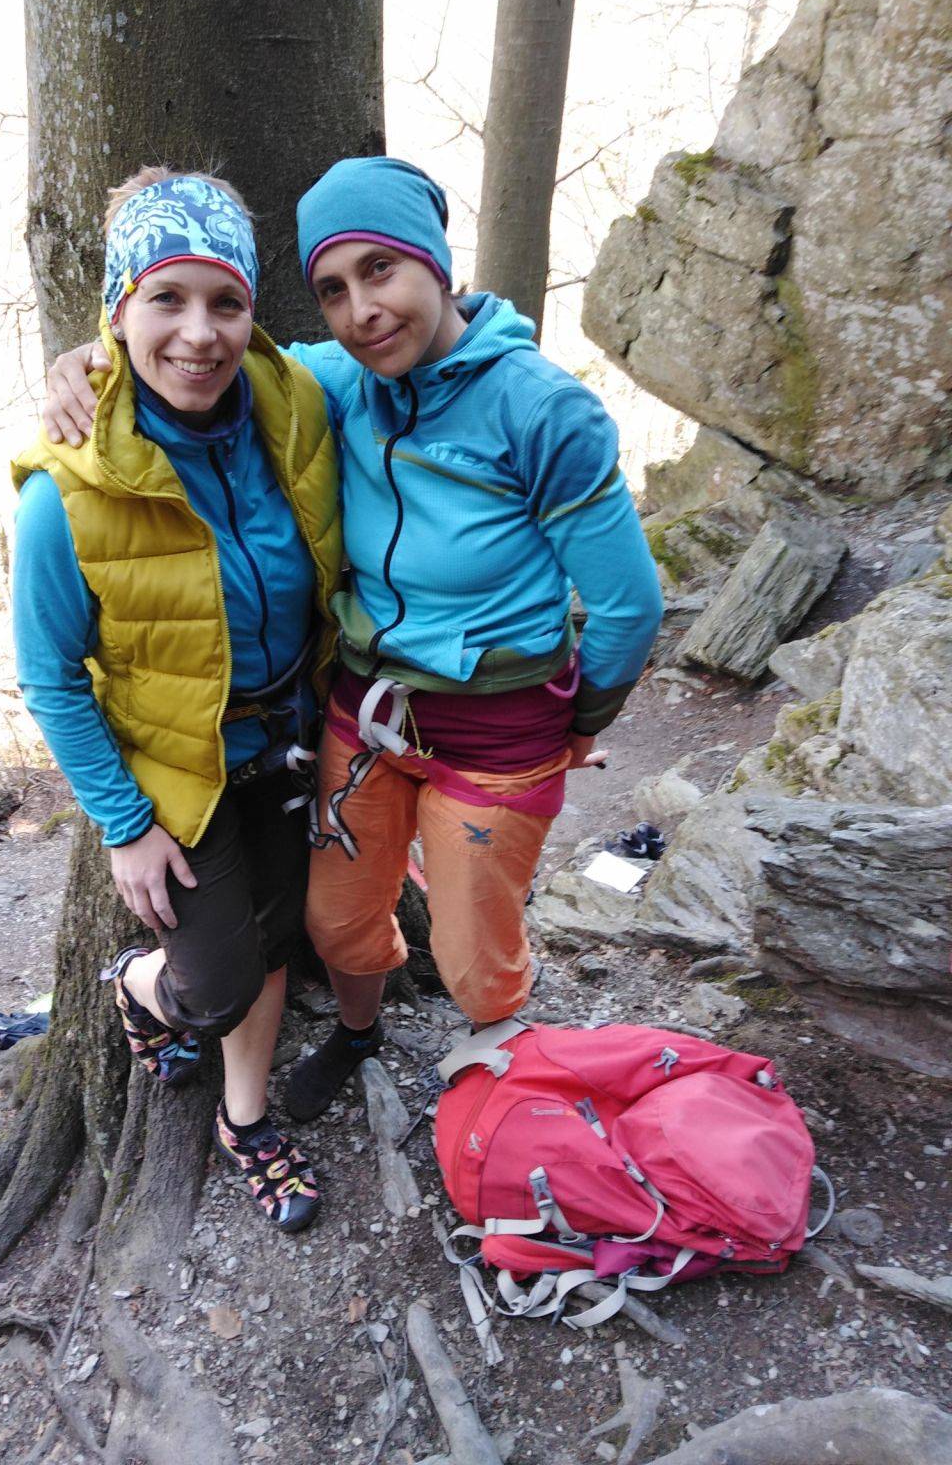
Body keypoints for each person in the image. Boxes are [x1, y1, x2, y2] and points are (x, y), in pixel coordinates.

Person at [41, 155, 664, 1124]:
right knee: (335, 921)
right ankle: (360, 1031)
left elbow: (629, 606)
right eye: (333, 288)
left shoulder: (542, 410)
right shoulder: (333, 382)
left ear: (435, 263)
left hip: (501, 731)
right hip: (366, 715)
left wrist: (582, 721)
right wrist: (85, 362)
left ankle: (509, 1095)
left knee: (473, 954)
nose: (362, 311)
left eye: (382, 270)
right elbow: (197, 347)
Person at [12, 167, 342, 1232]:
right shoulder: (66, 492)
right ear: (118, 311)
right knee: (214, 982)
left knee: (279, 942)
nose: (200, 334)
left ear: (253, 313)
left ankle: (245, 1122)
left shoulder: (298, 403)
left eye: (225, 302)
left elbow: (414, 346)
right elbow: (51, 678)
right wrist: (124, 824)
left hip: (293, 744)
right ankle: (133, 987)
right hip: (174, 776)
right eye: (166, 298)